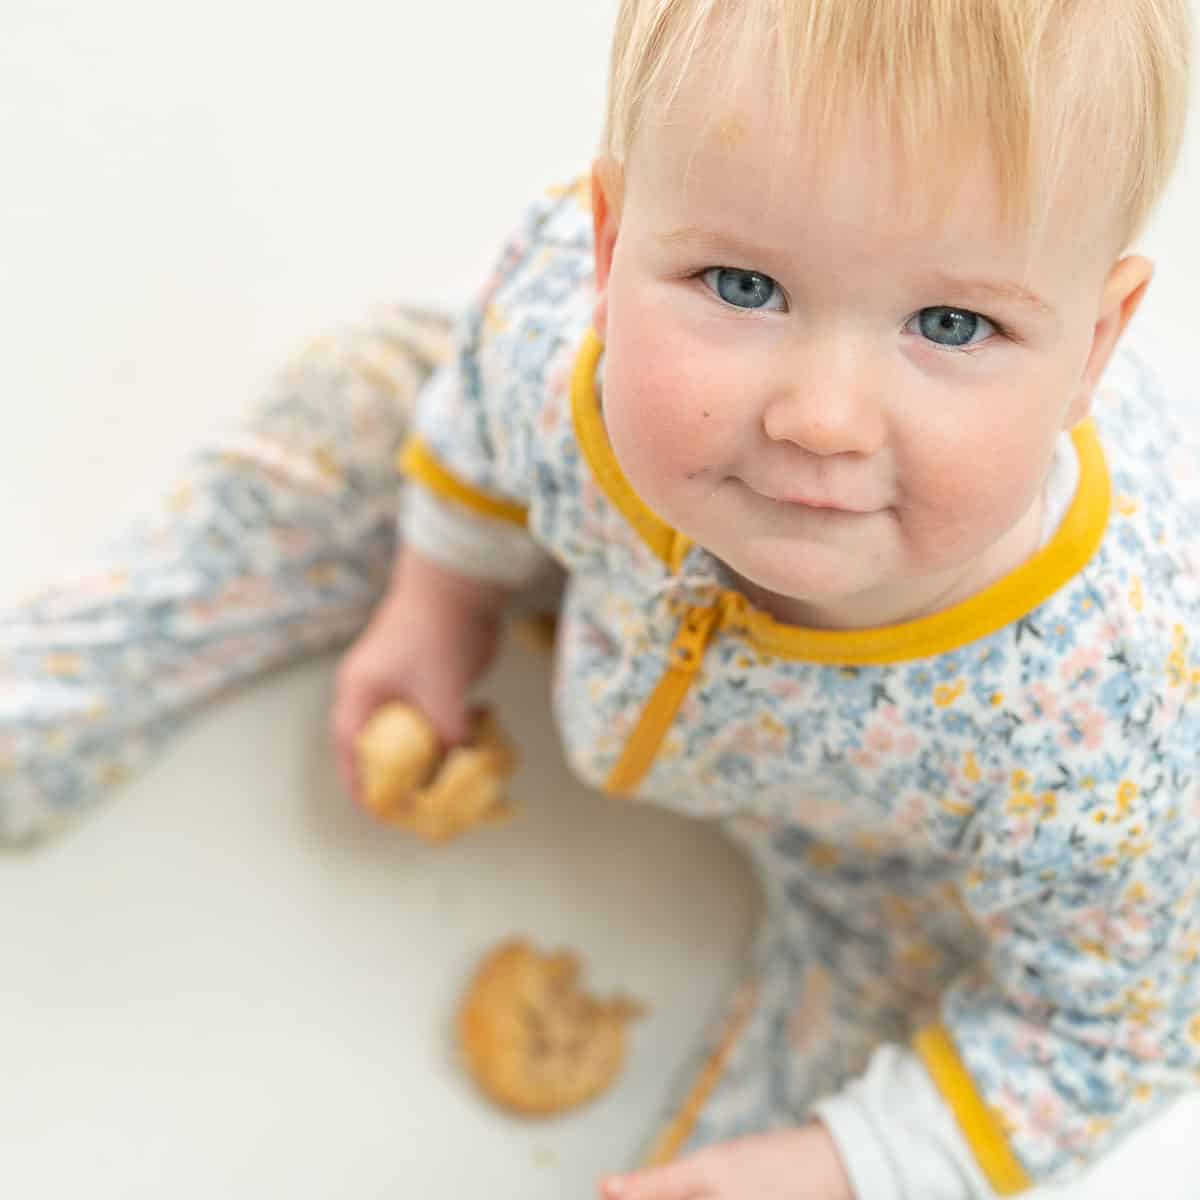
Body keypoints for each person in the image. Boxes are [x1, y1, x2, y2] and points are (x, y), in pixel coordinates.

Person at [3, 1, 1197, 1196]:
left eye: (951, 324)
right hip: (592, 539)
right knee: (358, 404)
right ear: (611, 245)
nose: (821, 419)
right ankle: (39, 705)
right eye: (744, 284)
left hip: (873, 855)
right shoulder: (560, 334)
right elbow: (483, 395)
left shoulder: (1105, 720)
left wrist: (837, 1165)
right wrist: (442, 595)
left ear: (1093, 348)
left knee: (875, 1070)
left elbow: (1120, 1027)